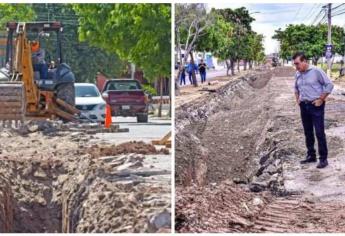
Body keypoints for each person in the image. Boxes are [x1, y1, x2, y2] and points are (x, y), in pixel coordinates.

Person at [293, 52, 334, 168]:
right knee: (308, 132)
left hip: (316, 105)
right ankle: (311, 155)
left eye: (298, 63)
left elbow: (329, 85)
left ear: (305, 61)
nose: (296, 66)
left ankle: (323, 159)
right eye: (295, 64)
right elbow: (296, 88)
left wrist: (321, 99)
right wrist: (298, 100)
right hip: (304, 106)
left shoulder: (316, 71)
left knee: (319, 132)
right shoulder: (297, 74)